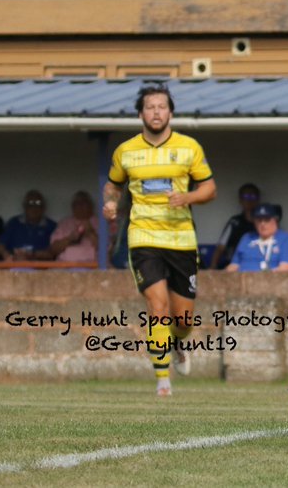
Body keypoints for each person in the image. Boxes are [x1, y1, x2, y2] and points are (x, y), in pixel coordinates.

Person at [102, 84, 217, 396]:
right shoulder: (126, 151)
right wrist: (111, 203)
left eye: (162, 107)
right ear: (141, 113)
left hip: (181, 239)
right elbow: (112, 185)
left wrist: (187, 197)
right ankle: (163, 380)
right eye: (150, 107)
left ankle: (178, 342)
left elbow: (210, 189)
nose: (156, 112)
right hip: (143, 237)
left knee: (183, 320)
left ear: (170, 113)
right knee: (157, 306)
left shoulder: (189, 147)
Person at [227, 203, 288, 271]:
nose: (262, 224)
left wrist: (259, 278)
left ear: (275, 220)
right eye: (259, 220)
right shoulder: (247, 238)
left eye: (267, 220)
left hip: (271, 279)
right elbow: (234, 266)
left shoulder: (286, 239)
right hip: (242, 279)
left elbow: (286, 268)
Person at [209, 183, 262, 269]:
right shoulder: (234, 222)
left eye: (253, 197)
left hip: (256, 265)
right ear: (240, 200)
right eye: (246, 197)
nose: (249, 200)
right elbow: (220, 247)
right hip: (233, 265)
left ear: (258, 199)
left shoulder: (264, 222)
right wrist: (212, 266)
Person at [0, 190, 57, 261]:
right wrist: (7, 255)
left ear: (43, 207)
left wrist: (32, 254)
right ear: (24, 206)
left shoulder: (51, 226)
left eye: (38, 204)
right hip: (14, 262)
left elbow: (53, 253)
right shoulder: (14, 222)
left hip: (40, 264)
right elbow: (0, 245)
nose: (34, 208)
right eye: (30, 204)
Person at [49, 191, 100, 263]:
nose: (80, 206)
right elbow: (53, 250)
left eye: (83, 203)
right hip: (66, 265)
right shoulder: (64, 223)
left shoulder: (100, 223)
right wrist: (70, 239)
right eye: (77, 204)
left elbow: (108, 251)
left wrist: (91, 233)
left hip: (92, 266)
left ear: (91, 206)